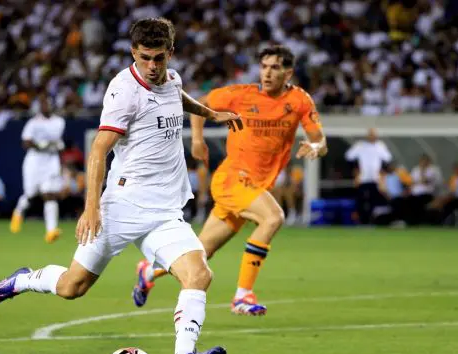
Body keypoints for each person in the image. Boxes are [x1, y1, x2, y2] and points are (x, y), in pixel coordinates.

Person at [0, 18, 242, 354]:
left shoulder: (172, 78)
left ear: (171, 53)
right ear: (133, 53)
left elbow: (176, 96)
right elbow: (99, 149)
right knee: (73, 287)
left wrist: (210, 114)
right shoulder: (123, 91)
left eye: (160, 58)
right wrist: (92, 207)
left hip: (165, 210)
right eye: (146, 58)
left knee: (199, 274)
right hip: (122, 206)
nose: (153, 66)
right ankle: (23, 280)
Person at [132, 45, 328, 316]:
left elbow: (319, 139)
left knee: (200, 253)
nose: (267, 73)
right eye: (264, 66)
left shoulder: (299, 101)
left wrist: (316, 148)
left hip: (254, 186)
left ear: (289, 72)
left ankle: (149, 271)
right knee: (273, 218)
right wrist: (197, 140)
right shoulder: (241, 95)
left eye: (275, 67)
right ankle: (242, 295)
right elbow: (200, 104)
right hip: (232, 178)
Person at [9, 95, 66, 244]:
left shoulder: (59, 122)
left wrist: (56, 145)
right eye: (42, 104)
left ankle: (51, 231)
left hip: (51, 161)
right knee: (30, 194)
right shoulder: (33, 123)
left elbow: (57, 141)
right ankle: (18, 212)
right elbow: (26, 142)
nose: (44, 106)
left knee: (50, 194)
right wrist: (40, 145)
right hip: (34, 161)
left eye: (46, 103)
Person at [345, 128, 392, 224]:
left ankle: (371, 221)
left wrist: (382, 173)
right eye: (370, 134)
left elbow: (388, 159)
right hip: (362, 179)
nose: (372, 136)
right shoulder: (360, 145)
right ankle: (361, 221)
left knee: (373, 201)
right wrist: (356, 171)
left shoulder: (380, 146)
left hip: (375, 179)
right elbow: (349, 157)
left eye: (374, 134)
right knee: (361, 200)